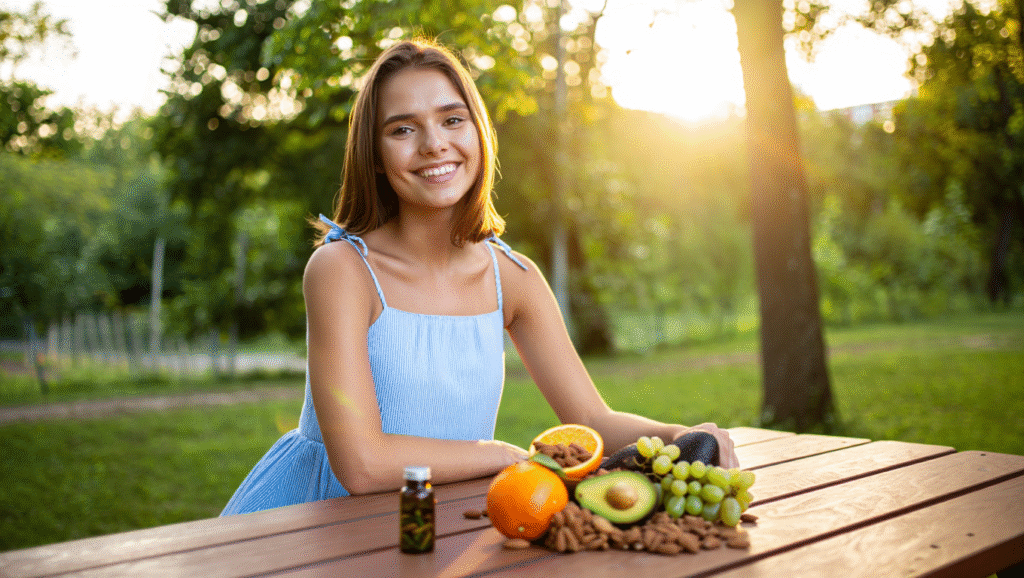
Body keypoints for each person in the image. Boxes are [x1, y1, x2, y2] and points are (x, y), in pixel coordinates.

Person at [221, 38, 737, 516]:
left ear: (478, 133)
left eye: (452, 120)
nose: (432, 145)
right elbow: (361, 464)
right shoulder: (342, 271)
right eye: (402, 129)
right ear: (375, 156)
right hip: (312, 519)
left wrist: (679, 435)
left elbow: (593, 419)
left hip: (434, 520)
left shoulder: (514, 278)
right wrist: (497, 455)